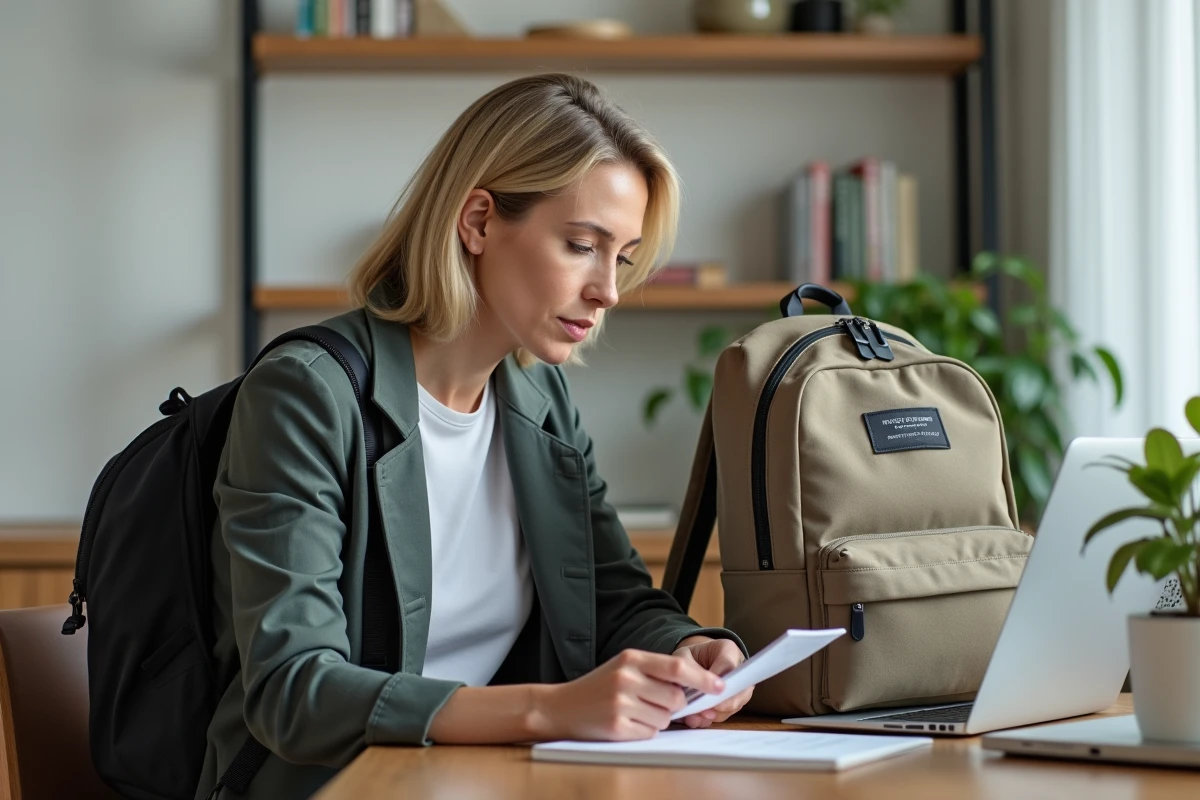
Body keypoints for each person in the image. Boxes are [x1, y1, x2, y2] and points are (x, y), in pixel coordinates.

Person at [195, 73, 754, 800]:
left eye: (621, 257)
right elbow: (293, 689)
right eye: (582, 245)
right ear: (479, 222)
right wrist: (549, 710)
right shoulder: (308, 395)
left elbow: (614, 598)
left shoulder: (538, 397)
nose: (609, 291)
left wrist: (689, 647)